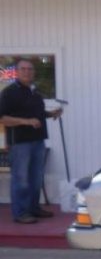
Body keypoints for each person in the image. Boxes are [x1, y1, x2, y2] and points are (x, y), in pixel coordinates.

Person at [0, 59, 63, 224]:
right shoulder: (9, 92)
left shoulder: (34, 91)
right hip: (20, 143)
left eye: (30, 69)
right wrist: (26, 122)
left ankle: (33, 209)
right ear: (17, 72)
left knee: (36, 178)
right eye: (23, 69)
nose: (27, 72)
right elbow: (3, 118)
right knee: (21, 178)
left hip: (38, 141)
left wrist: (51, 114)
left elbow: (37, 113)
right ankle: (20, 213)